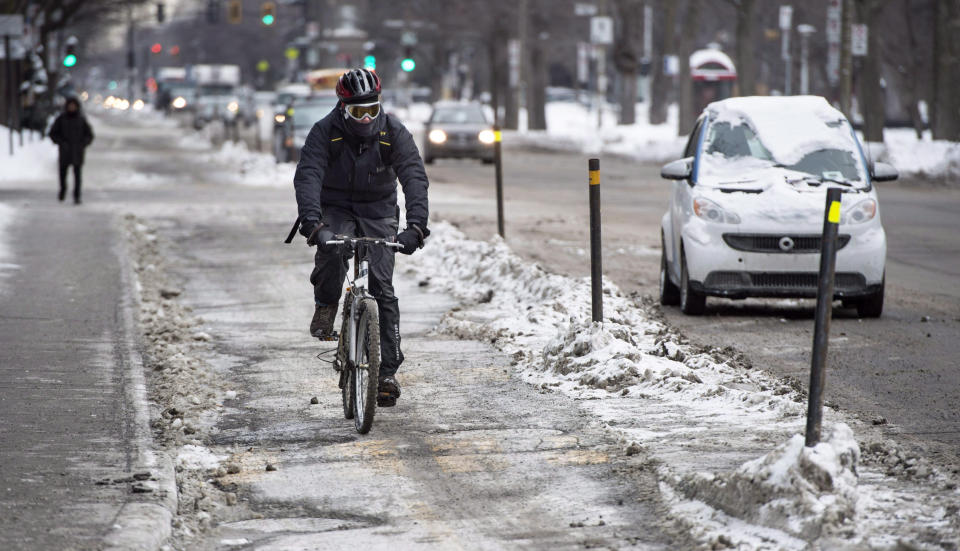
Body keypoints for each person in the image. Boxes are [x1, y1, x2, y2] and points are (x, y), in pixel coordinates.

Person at [287, 68, 430, 406]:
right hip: (335, 206)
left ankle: (386, 374)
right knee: (334, 251)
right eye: (357, 111)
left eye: (372, 110)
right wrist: (312, 223)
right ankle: (325, 306)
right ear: (342, 108)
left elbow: (413, 174)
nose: (366, 118)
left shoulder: (393, 131)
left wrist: (416, 226)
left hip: (379, 209)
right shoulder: (325, 131)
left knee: (383, 288)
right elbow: (308, 175)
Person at [48, 97, 94, 204]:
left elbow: (89, 135)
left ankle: (77, 195)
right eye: (70, 105)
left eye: (74, 106)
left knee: (77, 175)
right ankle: (63, 190)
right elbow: (53, 133)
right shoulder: (61, 119)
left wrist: (83, 144)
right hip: (64, 152)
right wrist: (60, 142)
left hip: (77, 152)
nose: (72, 107)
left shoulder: (81, 119)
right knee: (63, 174)